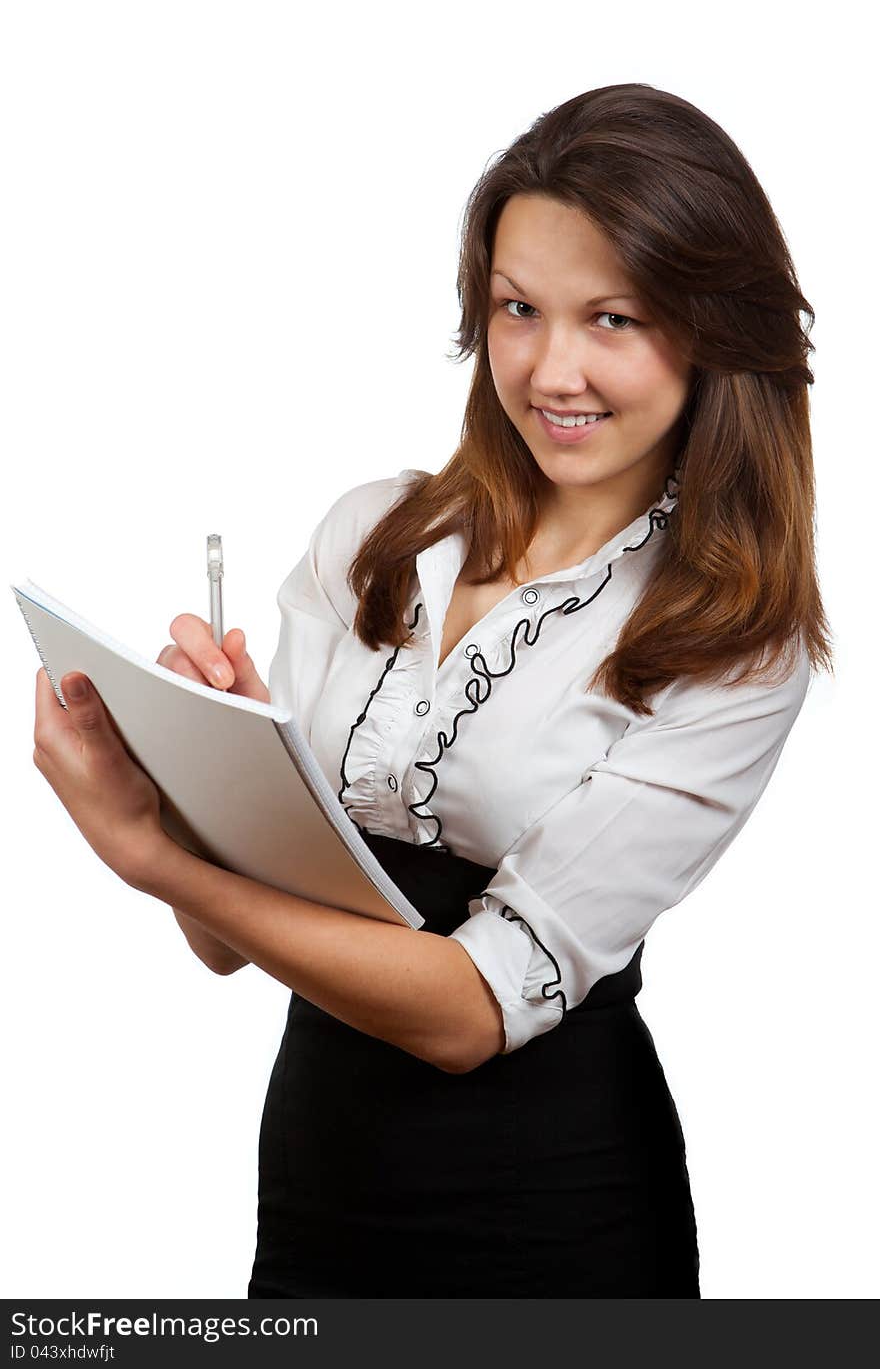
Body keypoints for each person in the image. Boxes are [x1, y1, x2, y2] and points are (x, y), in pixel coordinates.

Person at [31, 83, 833, 1298]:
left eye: (612, 317)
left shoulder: (729, 638)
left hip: (555, 1199)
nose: (550, 367)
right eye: (518, 308)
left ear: (713, 329)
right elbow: (221, 946)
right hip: (319, 1166)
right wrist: (214, 777)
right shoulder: (376, 534)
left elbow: (469, 1013)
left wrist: (154, 853)